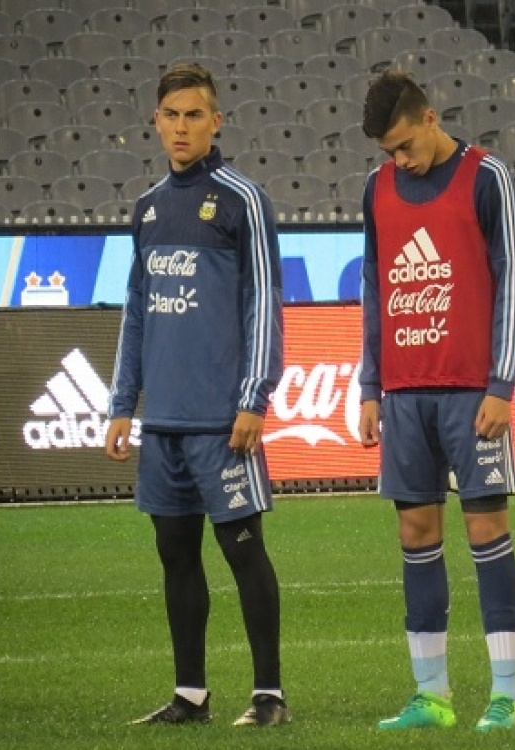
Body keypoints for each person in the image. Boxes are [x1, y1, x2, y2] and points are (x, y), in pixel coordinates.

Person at [105, 63, 288, 727]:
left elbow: (265, 301)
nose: (181, 127)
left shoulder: (242, 199)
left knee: (242, 549)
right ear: (156, 123)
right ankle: (190, 696)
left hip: (221, 419)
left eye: (194, 115)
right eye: (171, 115)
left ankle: (269, 695)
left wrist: (254, 397)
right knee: (175, 555)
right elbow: (137, 311)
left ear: (216, 122)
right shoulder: (148, 208)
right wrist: (122, 404)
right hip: (164, 424)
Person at [357, 70, 515, 732]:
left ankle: (504, 694)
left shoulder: (487, 177)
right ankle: (431, 695)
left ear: (431, 118)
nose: (399, 160)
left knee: (487, 530)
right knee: (416, 533)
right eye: (389, 151)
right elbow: (374, 286)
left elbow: (513, 278)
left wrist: (502, 384)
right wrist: (370, 386)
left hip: (471, 393)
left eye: (405, 145)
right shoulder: (376, 189)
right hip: (404, 394)